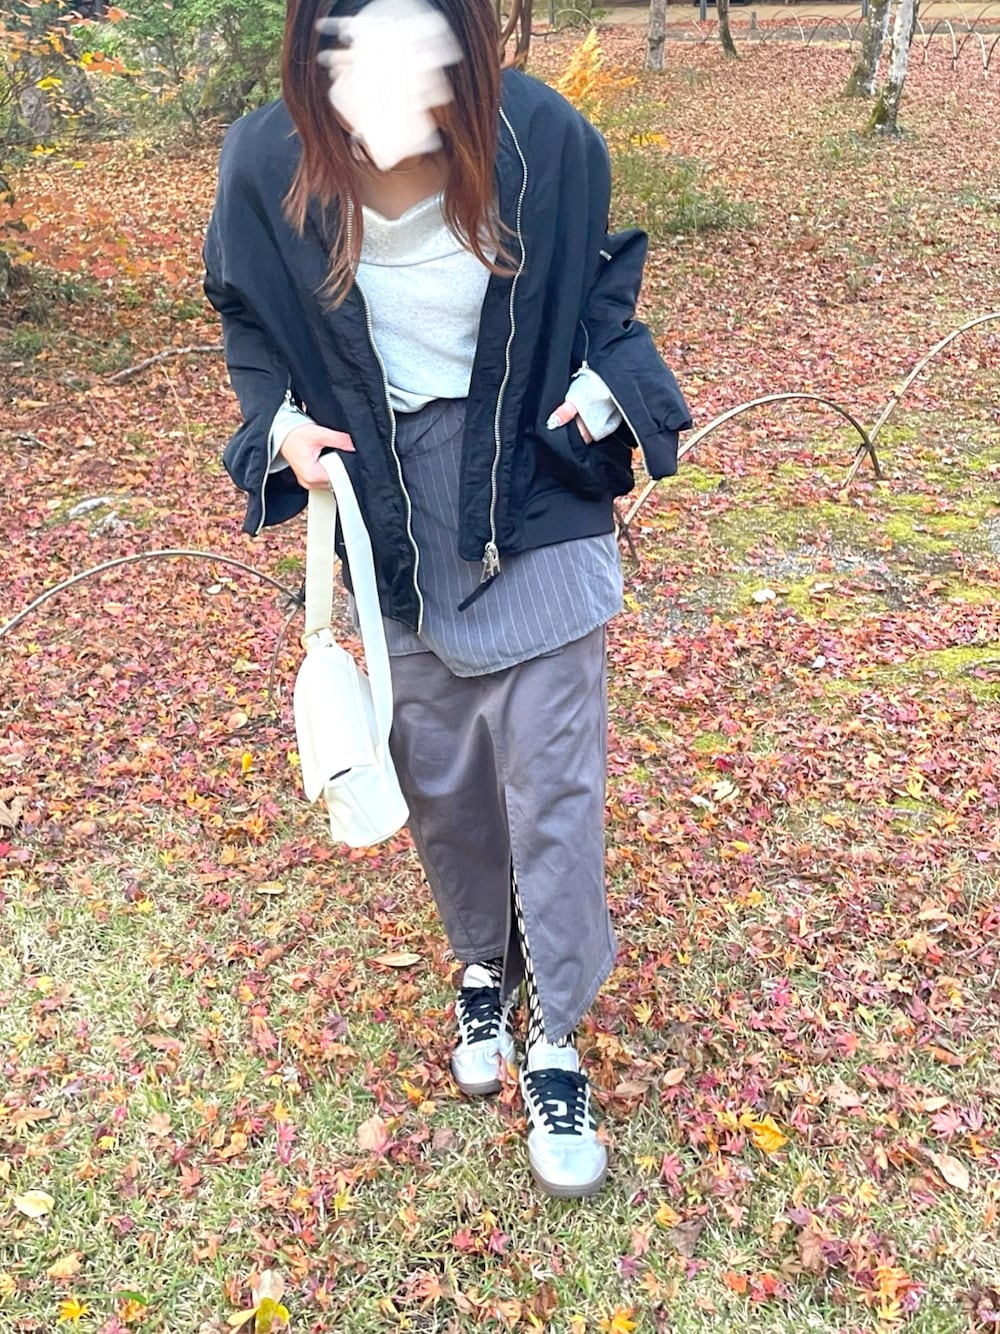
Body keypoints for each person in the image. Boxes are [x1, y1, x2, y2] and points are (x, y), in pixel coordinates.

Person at [203, 0, 691, 1199]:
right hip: (393, 503)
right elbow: (249, 317)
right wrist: (280, 428)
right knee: (442, 774)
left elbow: (602, 295)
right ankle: (484, 962)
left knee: (554, 782)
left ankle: (557, 1029)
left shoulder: (541, 139)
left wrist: (604, 386)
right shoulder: (267, 162)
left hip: (533, 485)